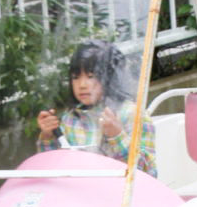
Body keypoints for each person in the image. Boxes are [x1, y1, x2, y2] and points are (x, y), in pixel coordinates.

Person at [35, 40, 157, 176]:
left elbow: (148, 174)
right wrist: (48, 136)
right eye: (75, 77)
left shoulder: (132, 114)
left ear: (110, 77)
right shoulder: (70, 119)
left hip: (121, 194)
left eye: (90, 76)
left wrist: (117, 136)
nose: (82, 85)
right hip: (83, 194)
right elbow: (54, 169)